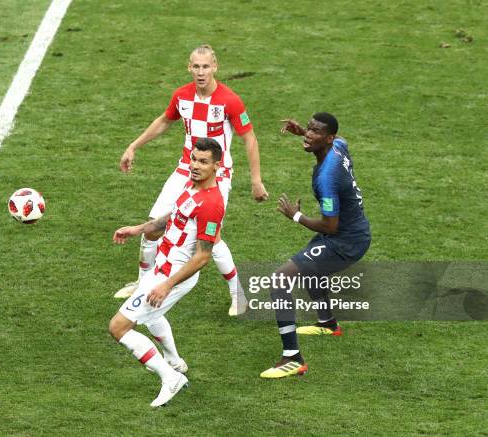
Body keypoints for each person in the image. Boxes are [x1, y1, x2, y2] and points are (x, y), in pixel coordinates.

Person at [114, 44, 269, 317]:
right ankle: (142, 282)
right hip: (185, 170)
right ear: (189, 67)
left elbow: (250, 138)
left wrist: (256, 180)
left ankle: (238, 294)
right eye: (196, 66)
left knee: (210, 238)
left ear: (215, 67)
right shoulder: (181, 96)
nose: (200, 72)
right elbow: (165, 120)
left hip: (216, 176)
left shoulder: (230, 100)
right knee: (152, 227)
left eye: (205, 66)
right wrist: (133, 146)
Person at [109, 138, 226, 407]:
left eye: (203, 162)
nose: (196, 165)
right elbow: (172, 217)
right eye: (194, 159)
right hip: (161, 269)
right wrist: (138, 229)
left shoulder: (211, 204)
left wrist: (166, 285)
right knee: (152, 317)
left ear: (216, 166)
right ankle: (174, 360)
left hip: (171, 276)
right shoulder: (190, 185)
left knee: (118, 327)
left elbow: (203, 256)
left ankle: (170, 378)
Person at [260, 113, 371, 378]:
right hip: (350, 232)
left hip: (345, 241)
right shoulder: (339, 145)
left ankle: (292, 358)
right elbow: (339, 138)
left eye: (315, 132)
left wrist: (296, 216)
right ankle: (328, 324)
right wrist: (301, 133)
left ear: (328, 138)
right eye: (308, 129)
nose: (309, 134)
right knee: (310, 268)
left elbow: (329, 227)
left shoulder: (327, 177)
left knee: (279, 280)